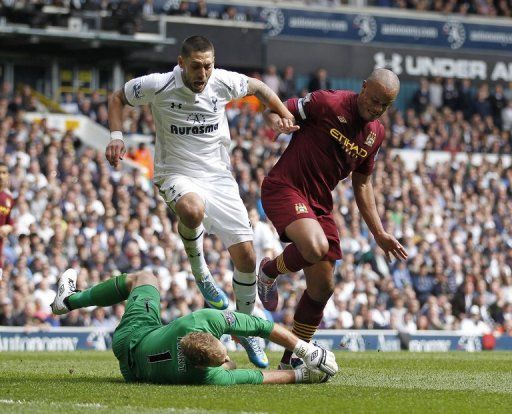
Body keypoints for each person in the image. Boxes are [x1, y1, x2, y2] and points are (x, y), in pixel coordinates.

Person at [105, 35, 296, 368]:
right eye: (196, 66)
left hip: (219, 177)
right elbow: (116, 98)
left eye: (208, 65)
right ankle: (200, 270)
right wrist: (116, 137)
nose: (203, 73)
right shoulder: (159, 85)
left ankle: (246, 326)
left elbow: (260, 88)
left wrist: (281, 113)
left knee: (247, 256)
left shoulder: (222, 82)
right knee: (193, 210)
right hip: (176, 173)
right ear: (181, 63)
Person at [258, 68, 408, 368]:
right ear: (363, 87)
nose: (376, 108)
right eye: (374, 99)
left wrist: (378, 233)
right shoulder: (329, 102)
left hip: (319, 205)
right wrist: (278, 123)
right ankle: (269, 271)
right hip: (285, 187)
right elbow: (274, 108)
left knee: (323, 287)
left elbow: (363, 183)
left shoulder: (375, 134)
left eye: (384, 105)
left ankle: (291, 361)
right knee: (315, 247)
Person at [51, 269, 338, 385]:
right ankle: (69, 300)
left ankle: (69, 301)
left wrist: (303, 361)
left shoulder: (199, 321)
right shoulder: (207, 378)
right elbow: (260, 369)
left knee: (145, 277)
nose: (226, 354)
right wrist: (303, 361)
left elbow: (262, 343)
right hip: (132, 371)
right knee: (232, 370)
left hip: (135, 337)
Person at [0, 162, 14, 280]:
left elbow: (10, 222)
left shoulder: (8, 198)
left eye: (4, 173)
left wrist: (8, 227)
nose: (1, 176)